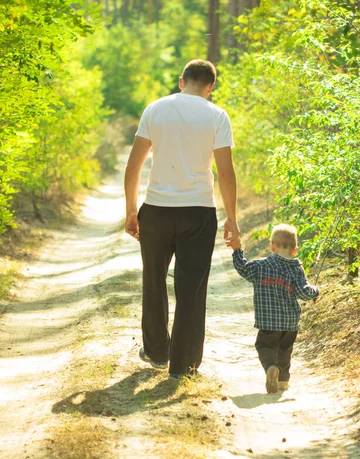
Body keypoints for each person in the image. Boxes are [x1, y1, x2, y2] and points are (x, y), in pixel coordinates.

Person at [124, 59, 239, 379]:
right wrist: (232, 219)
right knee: (191, 288)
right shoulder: (216, 115)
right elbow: (226, 174)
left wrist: (132, 210)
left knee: (154, 280)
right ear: (210, 87)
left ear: (181, 81)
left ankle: (158, 351)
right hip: (199, 213)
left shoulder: (155, 109)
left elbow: (133, 168)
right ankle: (183, 363)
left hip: (157, 211)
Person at [230, 224, 319, 393]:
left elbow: (242, 268)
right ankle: (283, 381)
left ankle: (271, 367)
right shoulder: (296, 268)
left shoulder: (260, 266)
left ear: (272, 246)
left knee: (265, 346)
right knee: (285, 350)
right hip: (290, 323)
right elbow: (303, 291)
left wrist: (237, 250)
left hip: (268, 322)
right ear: (295, 250)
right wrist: (316, 291)